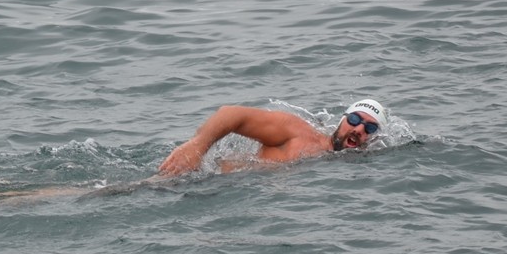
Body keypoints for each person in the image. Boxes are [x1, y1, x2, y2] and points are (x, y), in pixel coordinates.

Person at [157, 99, 389, 176]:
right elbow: (232, 113)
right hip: (200, 181)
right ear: (342, 119)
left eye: (369, 128)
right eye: (356, 120)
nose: (359, 130)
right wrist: (196, 147)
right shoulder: (299, 132)